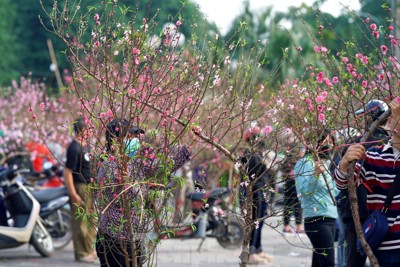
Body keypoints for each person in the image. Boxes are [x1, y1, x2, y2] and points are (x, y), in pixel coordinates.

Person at [95, 119, 191, 267]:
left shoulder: (136, 162)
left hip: (134, 237)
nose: (135, 140)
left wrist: (188, 145)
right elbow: (119, 194)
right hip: (113, 239)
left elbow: (163, 168)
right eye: (130, 136)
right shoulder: (107, 165)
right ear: (116, 141)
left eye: (134, 136)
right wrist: (123, 182)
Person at [335, 98, 400, 267]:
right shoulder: (372, 157)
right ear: (388, 122)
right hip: (384, 249)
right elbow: (342, 183)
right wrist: (344, 163)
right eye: (396, 117)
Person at [295, 129, 339, 267]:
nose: (329, 148)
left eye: (332, 144)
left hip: (330, 218)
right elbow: (303, 192)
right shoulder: (304, 163)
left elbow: (334, 192)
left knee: (319, 263)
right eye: (326, 143)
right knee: (328, 263)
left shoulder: (325, 164)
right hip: (316, 220)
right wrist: (315, 175)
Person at [64, 117, 97, 263]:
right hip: (79, 188)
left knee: (90, 221)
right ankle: (82, 253)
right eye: (88, 128)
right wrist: (73, 193)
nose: (90, 131)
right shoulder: (74, 147)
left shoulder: (85, 146)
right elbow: (67, 171)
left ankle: (89, 250)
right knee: (80, 222)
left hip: (89, 188)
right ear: (81, 130)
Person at [240, 126, 274, 265]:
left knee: (260, 222)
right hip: (254, 193)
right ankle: (250, 252)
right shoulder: (250, 156)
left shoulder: (259, 154)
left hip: (261, 192)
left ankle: (258, 249)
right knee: (254, 223)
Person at [281, 149, 304, 235]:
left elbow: (282, 171)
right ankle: (297, 226)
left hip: (288, 183)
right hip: (294, 183)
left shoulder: (286, 161)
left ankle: (288, 226)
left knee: (288, 205)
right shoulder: (297, 162)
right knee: (295, 205)